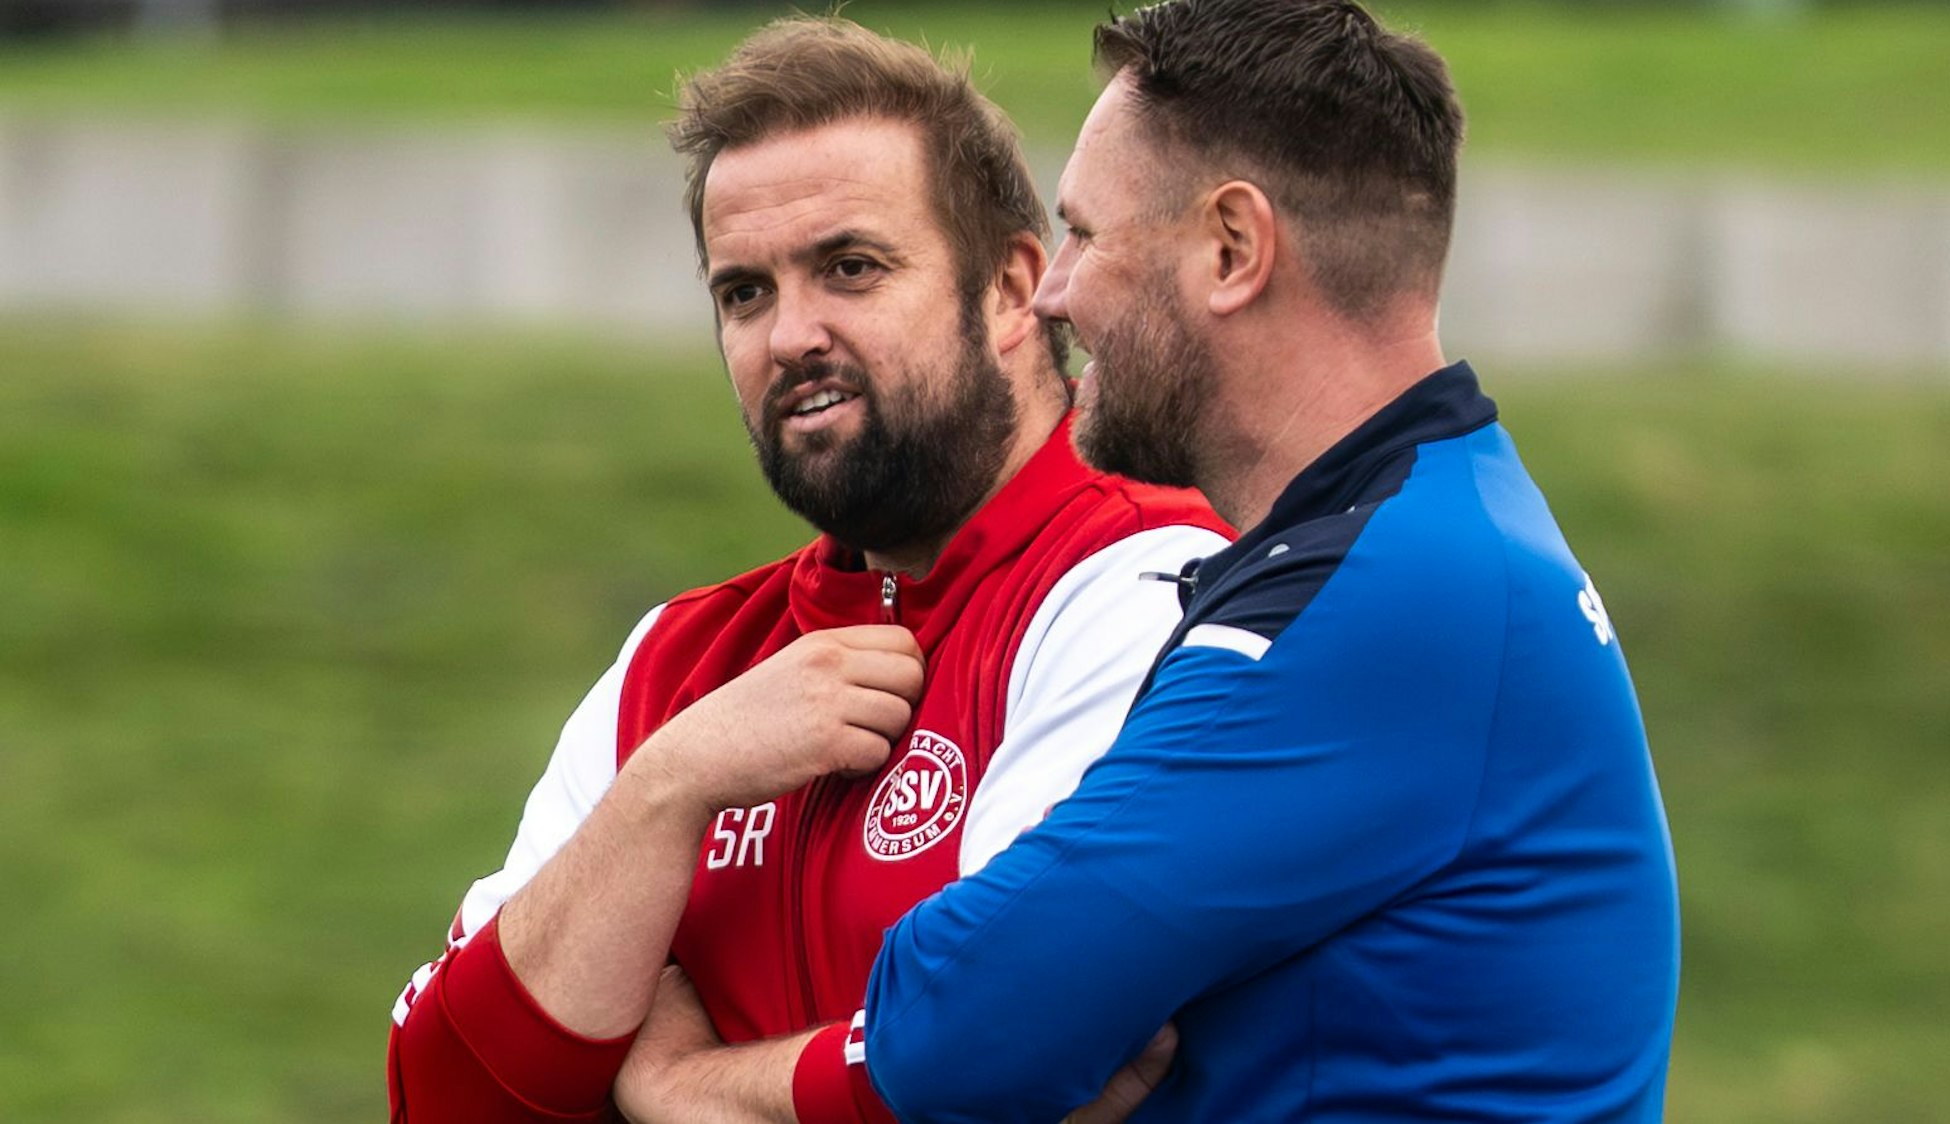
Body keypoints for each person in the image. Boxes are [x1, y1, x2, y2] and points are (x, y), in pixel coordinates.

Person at [839, 1, 1684, 1120]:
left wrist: (691, 1083)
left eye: (1084, 233)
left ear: (1232, 248)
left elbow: (949, 1026)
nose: (1052, 293)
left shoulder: (1384, 597)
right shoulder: (1447, 523)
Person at [383, 17, 1229, 1124]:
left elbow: (998, 1058)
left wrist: (677, 1087)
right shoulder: (680, 667)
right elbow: (441, 1094)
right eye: (744, 292)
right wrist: (667, 790)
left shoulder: (1153, 583)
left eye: (849, 268)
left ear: (1011, 286)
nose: (789, 336)